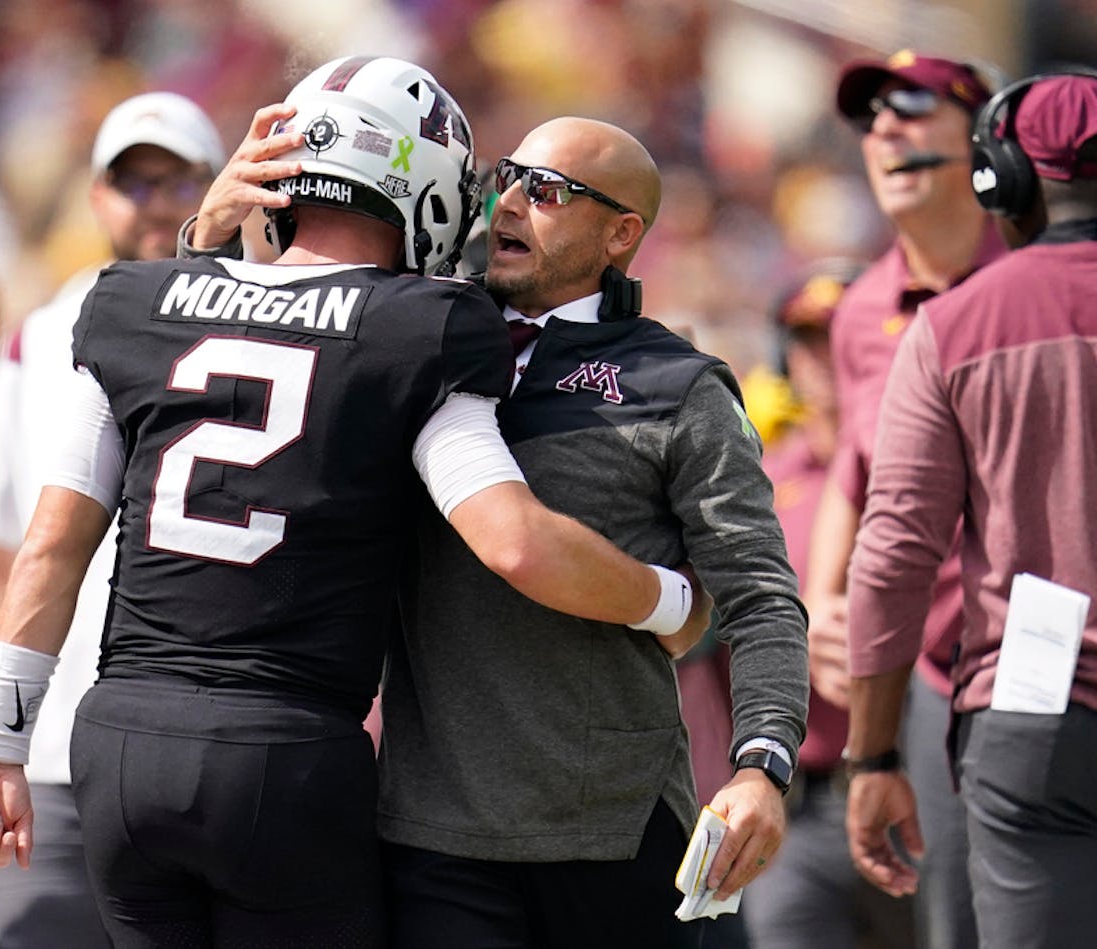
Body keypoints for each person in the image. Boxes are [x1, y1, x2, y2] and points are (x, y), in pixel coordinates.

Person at [0, 56, 711, 948]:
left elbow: (51, 547)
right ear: (420, 187)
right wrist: (671, 600)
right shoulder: (422, 325)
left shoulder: (130, 300)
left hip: (117, 746)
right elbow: (516, 544)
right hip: (284, 752)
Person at [189, 110, 808, 949]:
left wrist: (761, 764)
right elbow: (237, 351)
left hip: (616, 831)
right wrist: (209, 237)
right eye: (505, 177)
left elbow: (762, 599)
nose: (509, 202)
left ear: (622, 233)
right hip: (431, 833)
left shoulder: (681, 384)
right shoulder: (412, 335)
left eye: (548, 191)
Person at [0, 91, 224, 949]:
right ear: (97, 197)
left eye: (179, 181)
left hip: (201, 747)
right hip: (53, 752)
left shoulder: (274, 320)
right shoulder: (43, 335)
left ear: (220, 188)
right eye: (134, 182)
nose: (157, 202)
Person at [844, 71, 1097, 949]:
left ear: (1002, 179)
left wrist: (875, 752)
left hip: (1035, 714)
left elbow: (894, 553)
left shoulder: (956, 324)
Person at [807, 51, 1002, 949]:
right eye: (872, 116)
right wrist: (822, 600)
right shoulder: (861, 310)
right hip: (931, 677)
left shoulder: (1045, 273)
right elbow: (854, 467)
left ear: (986, 138)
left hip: (1060, 664)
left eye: (914, 106)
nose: (886, 130)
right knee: (959, 922)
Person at [740, 262, 916, 949]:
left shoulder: (925, 465)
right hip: (801, 797)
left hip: (916, 785)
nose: (824, 358)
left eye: (840, 336)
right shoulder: (759, 477)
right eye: (808, 339)